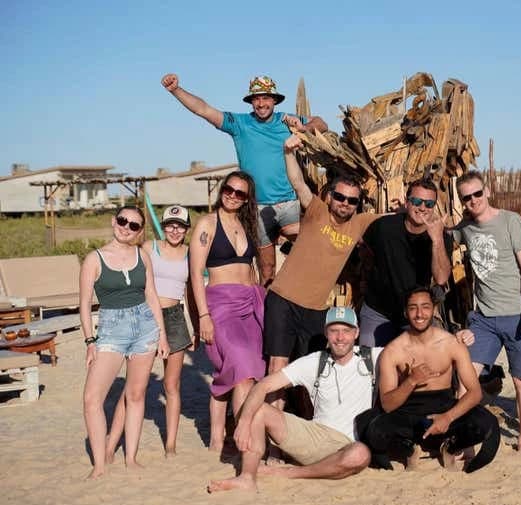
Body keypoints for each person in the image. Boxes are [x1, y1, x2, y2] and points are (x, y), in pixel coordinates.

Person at [161, 73, 328, 284]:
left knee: (311, 247)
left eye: (266, 98)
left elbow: (322, 123)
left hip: (289, 203)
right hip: (257, 208)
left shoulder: (287, 121)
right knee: (266, 270)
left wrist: (303, 128)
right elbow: (203, 110)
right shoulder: (240, 124)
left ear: (274, 100)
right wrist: (176, 90)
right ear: (251, 102)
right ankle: (268, 312)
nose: (261, 103)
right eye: (256, 99)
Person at [206, 306, 380, 492]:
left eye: (346, 331)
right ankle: (247, 477)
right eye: (334, 331)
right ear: (326, 333)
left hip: (349, 445)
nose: (340, 337)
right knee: (259, 409)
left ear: (357, 332)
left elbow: (408, 349)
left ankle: (289, 473)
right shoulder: (316, 361)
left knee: (360, 454)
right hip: (314, 436)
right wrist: (244, 421)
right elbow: (263, 385)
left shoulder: (372, 357)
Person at [263, 135, 379, 391]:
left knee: (310, 372)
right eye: (340, 197)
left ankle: (300, 428)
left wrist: (410, 209)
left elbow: (393, 222)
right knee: (277, 366)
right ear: (330, 197)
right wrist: (287, 152)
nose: (345, 204)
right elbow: (298, 182)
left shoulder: (359, 223)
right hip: (283, 299)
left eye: (352, 200)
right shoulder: (317, 211)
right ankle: (270, 424)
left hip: (316, 309)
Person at [362, 287, 500, 473]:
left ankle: (450, 447)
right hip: (409, 410)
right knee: (373, 429)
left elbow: (474, 393)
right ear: (405, 312)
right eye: (413, 308)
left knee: (487, 423)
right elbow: (387, 404)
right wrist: (411, 381)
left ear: (434, 309)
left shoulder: (451, 344)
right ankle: (409, 448)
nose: (419, 314)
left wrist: (447, 417)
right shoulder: (393, 351)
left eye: (425, 307)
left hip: (444, 406)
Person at [450, 171, 521, 453]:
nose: (474, 200)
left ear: (487, 191)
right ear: (461, 200)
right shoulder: (465, 227)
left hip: (516, 314)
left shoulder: (511, 221)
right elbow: (441, 236)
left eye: (478, 193)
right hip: (484, 320)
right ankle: (465, 441)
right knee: (466, 380)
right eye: (467, 197)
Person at [79, 206, 170, 478]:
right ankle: (99, 465)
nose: (126, 228)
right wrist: (90, 341)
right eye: (123, 221)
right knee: (92, 399)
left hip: (144, 325)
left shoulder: (142, 255)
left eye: (134, 225)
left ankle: (130, 457)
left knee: (136, 394)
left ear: (139, 230)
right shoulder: (94, 259)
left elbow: (151, 294)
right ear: (113, 221)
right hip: (111, 328)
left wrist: (162, 333)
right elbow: (84, 304)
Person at [105, 205, 196, 459]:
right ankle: (112, 443)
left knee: (171, 385)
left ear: (187, 229)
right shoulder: (148, 248)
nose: (175, 230)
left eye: (180, 225)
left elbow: (191, 293)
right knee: (134, 387)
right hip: (145, 316)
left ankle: (171, 444)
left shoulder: (191, 254)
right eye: (170, 224)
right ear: (163, 226)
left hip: (175, 318)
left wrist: (197, 326)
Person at [189, 172, 266, 453]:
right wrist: (203, 316)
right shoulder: (207, 224)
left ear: (247, 198)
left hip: (252, 303)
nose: (233, 195)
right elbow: (196, 274)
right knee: (242, 369)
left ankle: (219, 437)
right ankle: (243, 443)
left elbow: (255, 269)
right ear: (222, 190)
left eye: (240, 193)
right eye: (229, 190)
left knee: (247, 372)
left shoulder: (247, 224)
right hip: (221, 306)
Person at [359, 178, 453, 346]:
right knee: (370, 363)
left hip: (414, 313)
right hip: (377, 309)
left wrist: (437, 239)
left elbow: (441, 279)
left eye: (429, 204)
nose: (422, 207)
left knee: (417, 365)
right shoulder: (384, 227)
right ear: (407, 201)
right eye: (417, 201)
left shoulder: (441, 237)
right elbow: (363, 246)